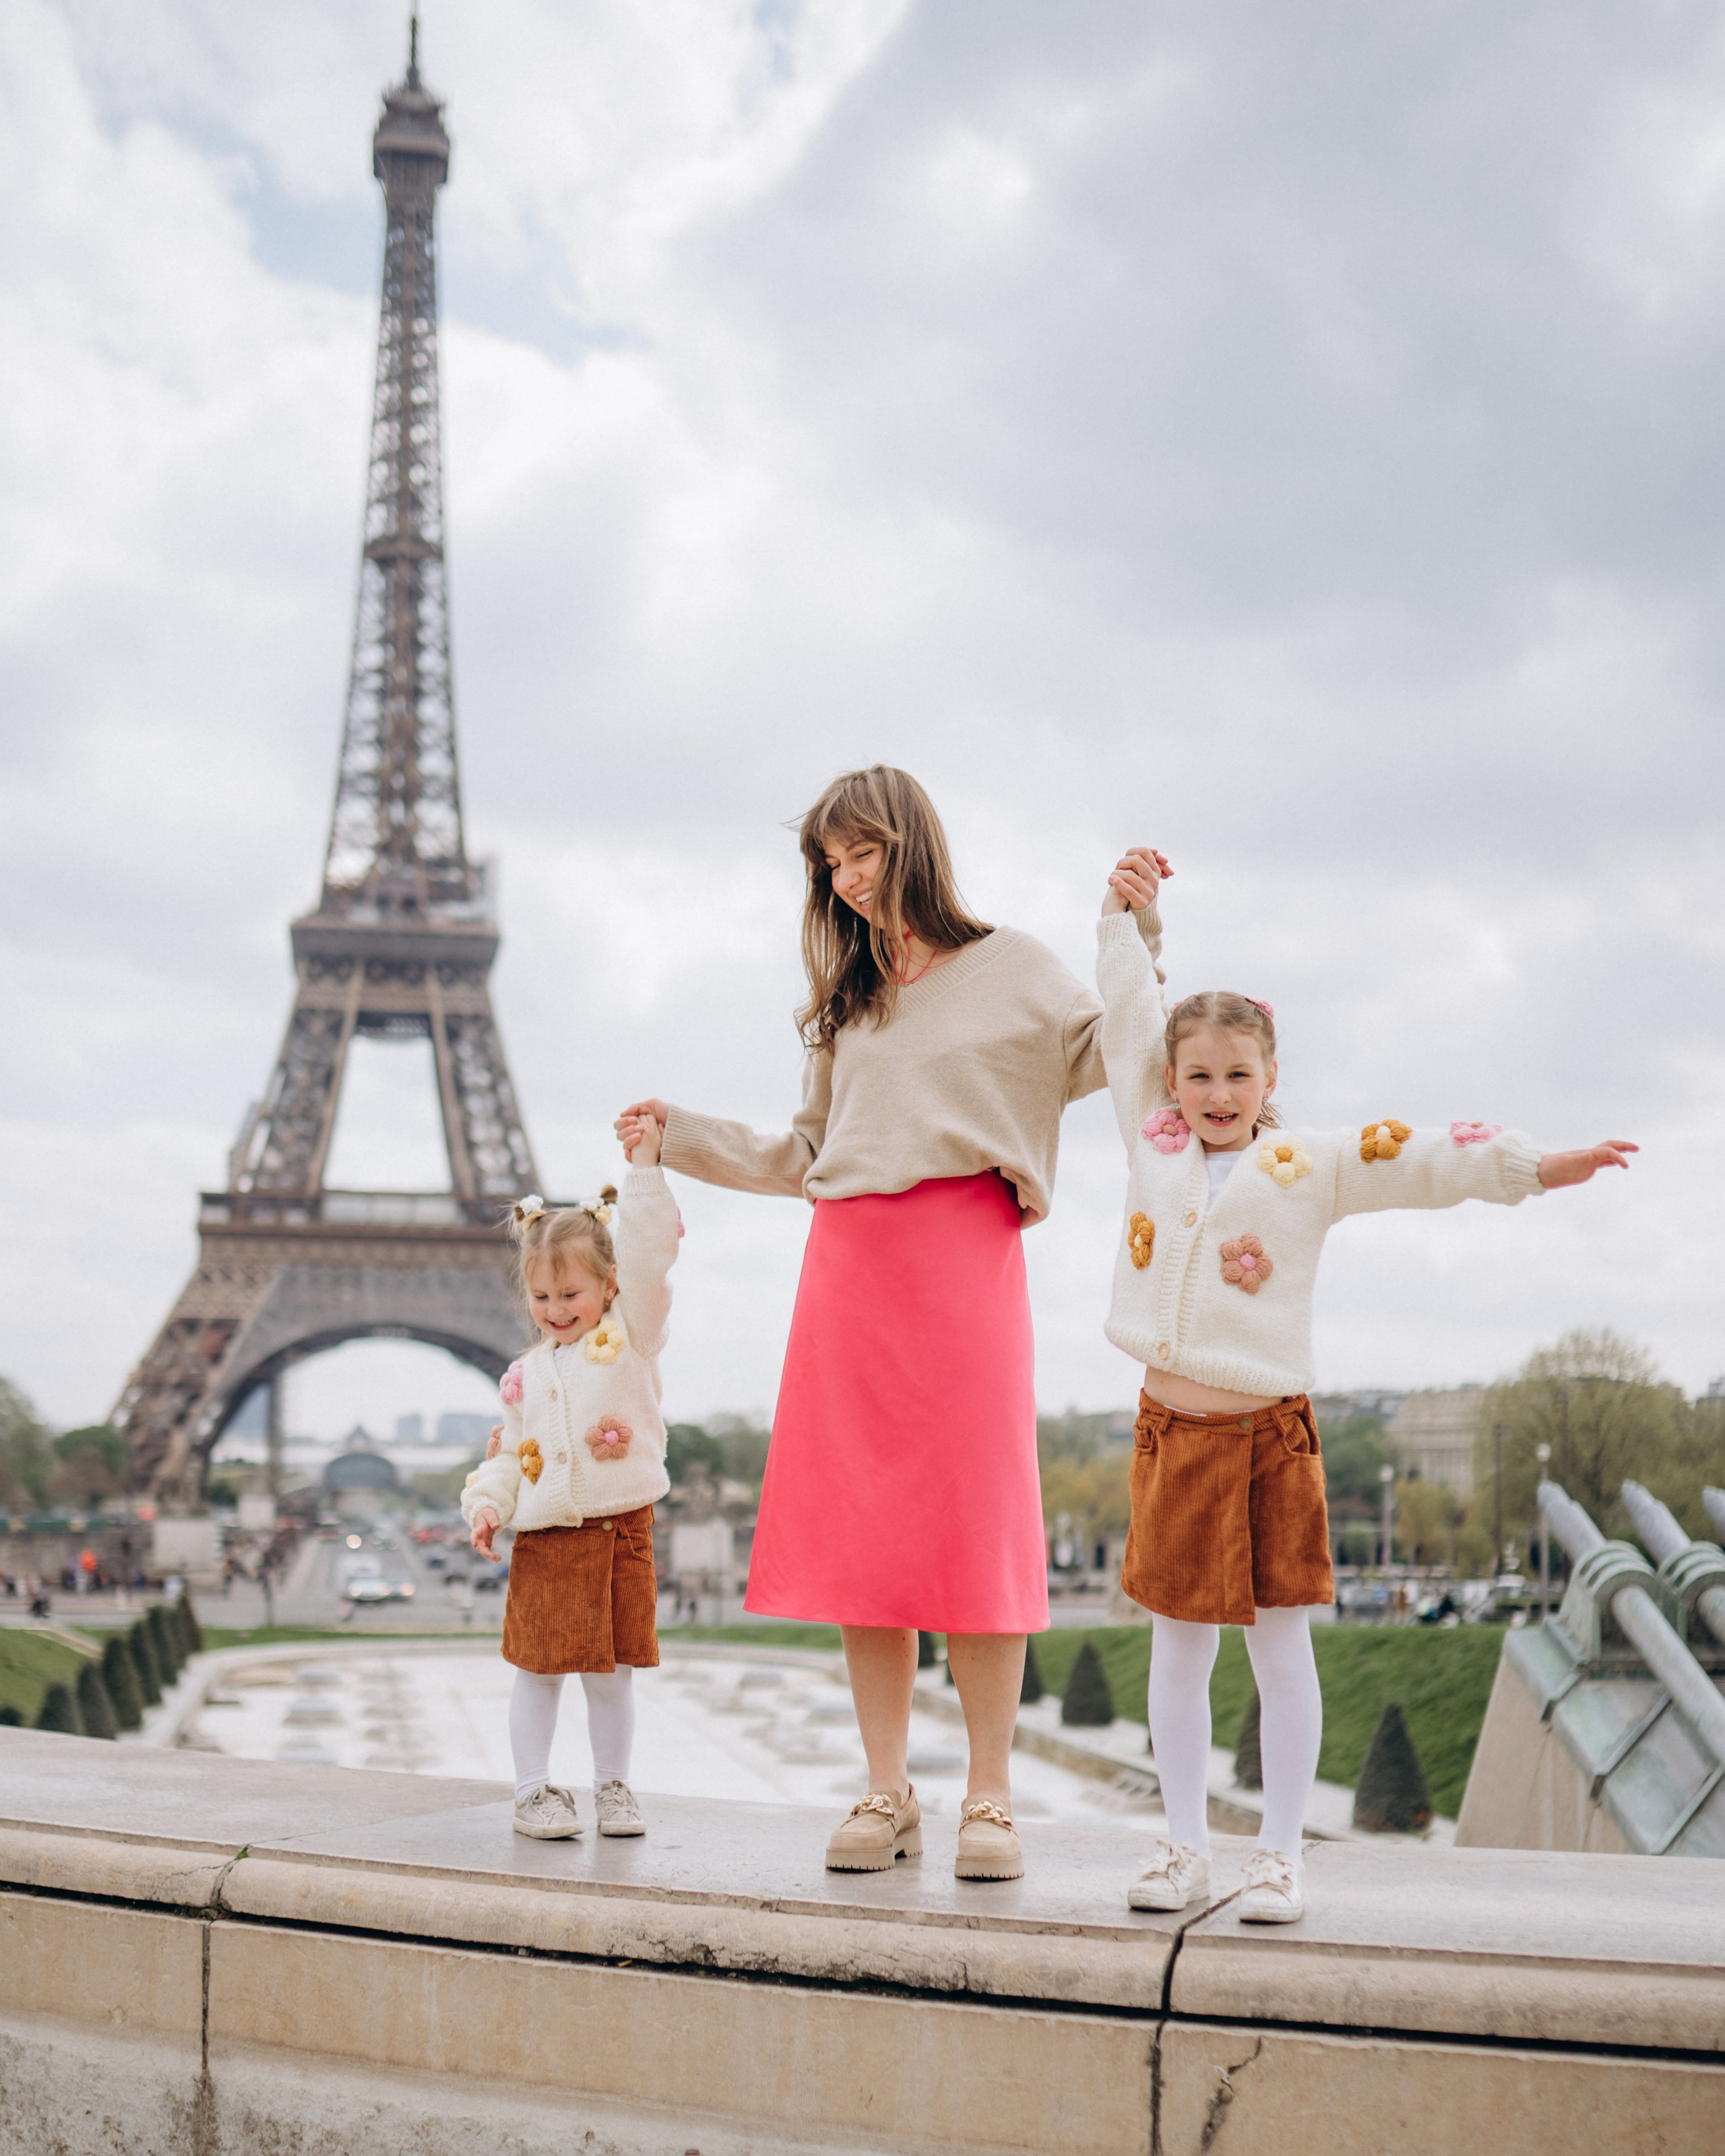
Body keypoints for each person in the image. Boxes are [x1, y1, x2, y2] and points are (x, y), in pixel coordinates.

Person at [616, 765, 1165, 1882]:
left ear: (911, 841)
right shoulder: (847, 1002)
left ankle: (992, 1798)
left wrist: (1136, 935)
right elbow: (806, 1155)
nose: (848, 879)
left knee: (977, 1528)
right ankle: (886, 1789)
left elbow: (1124, 1058)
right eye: (831, 863)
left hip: (966, 1258)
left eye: (862, 852)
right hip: (851, 1271)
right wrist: (680, 1136)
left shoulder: (1014, 968)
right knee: (867, 1544)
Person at [1094, 850, 1635, 1922]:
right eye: (1196, 1076)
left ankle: (1282, 1854)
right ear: (1172, 1080)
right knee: (1178, 1649)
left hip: (1265, 1438)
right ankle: (1183, 1846)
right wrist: (1126, 919)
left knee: (1281, 1650)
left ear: (1271, 1079)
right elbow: (1123, 1013)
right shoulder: (1149, 1136)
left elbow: (1424, 1156)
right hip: (1170, 1433)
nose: (1215, 1095)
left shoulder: (1312, 1165)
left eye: (1238, 1077)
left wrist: (1535, 1167)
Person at [461, 1118, 679, 1841]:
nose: (556, 1311)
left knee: (612, 1673)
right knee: (539, 1670)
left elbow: (651, 1260)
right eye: (542, 1298)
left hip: (620, 1529)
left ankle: (613, 1786)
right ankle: (531, 1791)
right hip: (549, 1534)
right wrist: (488, 1505)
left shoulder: (631, 1339)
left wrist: (645, 1166)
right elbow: (509, 1455)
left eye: (571, 1295)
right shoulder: (524, 1375)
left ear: (610, 1285)